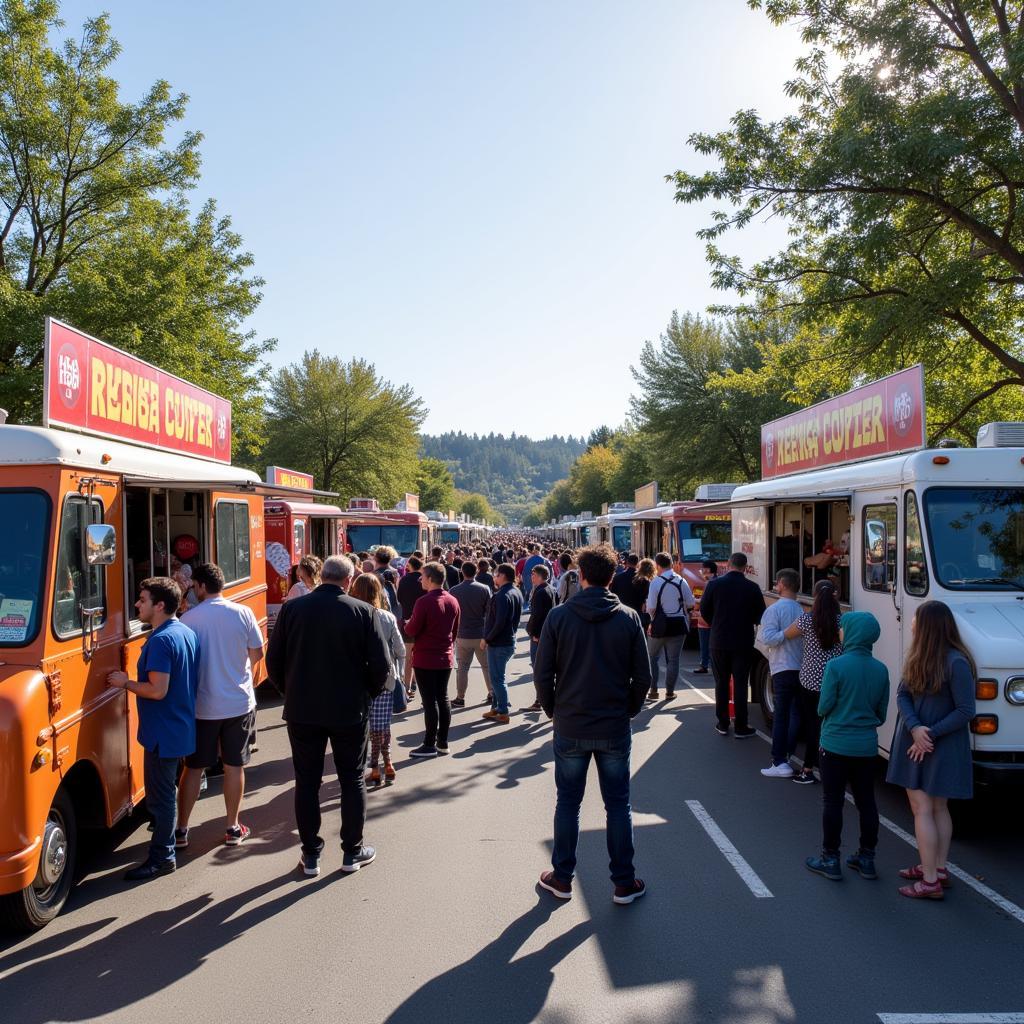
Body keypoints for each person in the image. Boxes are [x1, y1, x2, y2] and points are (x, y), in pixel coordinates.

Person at [534, 544, 652, 905]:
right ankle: (623, 882)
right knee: (618, 804)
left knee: (568, 802)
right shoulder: (628, 617)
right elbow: (643, 677)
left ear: (580, 576)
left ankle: (562, 877)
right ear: (613, 577)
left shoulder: (559, 617)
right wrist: (628, 710)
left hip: (571, 723)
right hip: (613, 724)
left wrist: (555, 711)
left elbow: (542, 673)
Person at [265, 555, 390, 877]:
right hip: (349, 709)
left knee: (306, 781)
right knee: (351, 779)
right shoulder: (364, 612)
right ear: (348, 580)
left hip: (303, 709)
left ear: (322, 577)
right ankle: (352, 850)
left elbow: (273, 659)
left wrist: (288, 691)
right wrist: (366, 694)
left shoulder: (293, 609)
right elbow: (380, 666)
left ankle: (310, 854)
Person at [107, 578, 199, 881]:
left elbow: (157, 690)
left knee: (160, 800)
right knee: (164, 795)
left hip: (163, 731)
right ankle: (164, 851)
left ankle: (162, 857)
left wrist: (126, 684)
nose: (137, 604)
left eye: (143, 599)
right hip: (178, 726)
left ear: (160, 606)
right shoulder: (184, 631)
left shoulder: (160, 640)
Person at [886, 601, 977, 900]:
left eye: (916, 619)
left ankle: (928, 881)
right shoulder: (942, 658)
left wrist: (924, 732)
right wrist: (917, 728)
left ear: (927, 626)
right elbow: (903, 695)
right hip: (930, 741)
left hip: (932, 744)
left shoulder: (952, 662)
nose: (911, 623)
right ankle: (936, 869)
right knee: (937, 807)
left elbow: (966, 710)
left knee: (923, 808)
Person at [177, 563, 264, 847]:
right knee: (234, 766)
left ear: (201, 586)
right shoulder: (243, 613)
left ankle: (181, 829)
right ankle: (232, 827)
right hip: (237, 702)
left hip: (202, 706)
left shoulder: (189, 619)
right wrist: (245, 676)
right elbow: (258, 652)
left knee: (193, 768)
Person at [805, 611, 890, 881]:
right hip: (866, 746)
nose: (840, 631)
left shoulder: (837, 666)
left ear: (851, 633)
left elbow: (824, 705)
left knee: (833, 801)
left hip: (835, 743)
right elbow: (882, 713)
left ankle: (831, 858)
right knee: (867, 802)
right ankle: (867, 857)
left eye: (843, 628)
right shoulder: (880, 669)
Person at [699, 552, 766, 739]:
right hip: (742, 641)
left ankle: (722, 722)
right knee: (741, 683)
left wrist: (716, 623)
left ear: (728, 564)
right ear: (745, 567)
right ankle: (741, 725)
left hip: (719, 640)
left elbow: (704, 610)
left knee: (721, 682)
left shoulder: (714, 585)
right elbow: (760, 615)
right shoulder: (752, 587)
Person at [783, 579, 843, 783]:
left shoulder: (807, 620)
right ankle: (831, 769)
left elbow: (787, 635)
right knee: (831, 725)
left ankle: (807, 769)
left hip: (809, 681)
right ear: (835, 597)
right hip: (835, 682)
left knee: (812, 726)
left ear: (815, 597)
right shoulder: (842, 622)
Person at [350, 572, 405, 786]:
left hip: (356, 680)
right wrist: (398, 675)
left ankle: (374, 766)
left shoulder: (351, 615)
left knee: (366, 727)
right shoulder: (387, 617)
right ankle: (387, 762)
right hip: (384, 678)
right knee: (382, 725)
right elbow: (400, 650)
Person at [403, 561, 460, 757]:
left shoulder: (424, 602)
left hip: (426, 657)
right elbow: (455, 630)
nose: (420, 579)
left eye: (422, 576)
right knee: (442, 698)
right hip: (445, 656)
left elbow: (412, 629)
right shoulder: (452, 600)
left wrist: (408, 624)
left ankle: (429, 743)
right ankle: (442, 741)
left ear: (430, 578)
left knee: (429, 701)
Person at [758, 569, 804, 778]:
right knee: (796, 714)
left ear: (781, 585)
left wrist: (784, 635)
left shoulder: (774, 611)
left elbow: (767, 638)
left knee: (781, 715)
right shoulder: (803, 611)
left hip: (782, 666)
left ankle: (779, 761)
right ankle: (788, 754)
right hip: (801, 668)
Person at [645, 552, 694, 701]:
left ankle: (653, 690)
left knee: (652, 657)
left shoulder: (655, 582)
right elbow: (690, 603)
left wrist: (652, 620)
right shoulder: (681, 581)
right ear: (671, 564)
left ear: (657, 565)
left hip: (660, 625)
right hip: (678, 624)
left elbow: (651, 607)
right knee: (673, 660)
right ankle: (670, 692)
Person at [483, 563, 523, 723]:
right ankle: (496, 707)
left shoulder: (501, 596)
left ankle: (503, 710)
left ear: (503, 576)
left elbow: (499, 622)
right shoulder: (515, 592)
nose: (494, 577)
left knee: (497, 678)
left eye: (496, 574)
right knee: (496, 677)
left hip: (499, 643)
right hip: (507, 640)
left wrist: (486, 638)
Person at [450, 560, 492, 708]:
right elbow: (489, 613)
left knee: (462, 668)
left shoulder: (454, 591)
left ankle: (460, 698)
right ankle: (492, 693)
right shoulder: (484, 589)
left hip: (462, 634)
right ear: (476, 572)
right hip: (480, 633)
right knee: (486, 667)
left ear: (462, 572)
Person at [525, 564, 556, 710]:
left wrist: (535, 634)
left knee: (539, 669)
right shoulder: (550, 589)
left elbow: (538, 616)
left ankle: (540, 700)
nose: (531, 577)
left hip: (540, 636)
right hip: (548, 634)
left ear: (539, 576)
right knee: (545, 668)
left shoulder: (541, 591)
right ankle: (543, 698)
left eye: (533, 574)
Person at [397, 555, 426, 695]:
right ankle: (419, 685)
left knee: (408, 657)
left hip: (407, 620)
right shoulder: (424, 580)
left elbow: (399, 599)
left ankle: (407, 686)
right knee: (423, 656)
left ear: (409, 566)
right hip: (424, 623)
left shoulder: (403, 580)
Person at [693, 559, 718, 674]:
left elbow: (705, 601)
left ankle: (704, 665)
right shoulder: (717, 582)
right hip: (713, 619)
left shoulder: (710, 584)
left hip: (705, 620)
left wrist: (693, 600)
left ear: (708, 570)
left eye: (703, 569)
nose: (701, 572)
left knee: (705, 644)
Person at [373, 546, 402, 617]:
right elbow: (397, 589)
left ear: (376, 559)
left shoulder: (373, 574)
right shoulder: (395, 572)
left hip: (380, 606)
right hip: (394, 604)